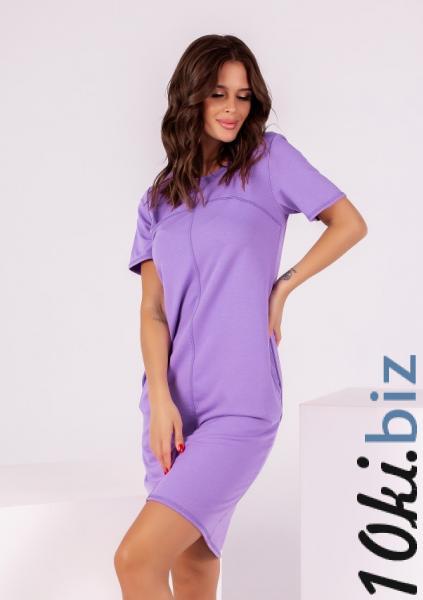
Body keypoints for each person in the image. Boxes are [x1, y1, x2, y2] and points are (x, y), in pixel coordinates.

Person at [114, 33, 367, 599]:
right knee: (192, 569)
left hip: (240, 400)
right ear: (191, 98)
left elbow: (349, 222)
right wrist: (160, 400)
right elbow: (152, 310)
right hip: (171, 410)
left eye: (243, 96)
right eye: (218, 94)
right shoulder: (158, 199)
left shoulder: (268, 160)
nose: (232, 108)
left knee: (135, 560)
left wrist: (283, 288)